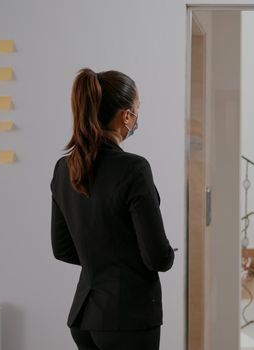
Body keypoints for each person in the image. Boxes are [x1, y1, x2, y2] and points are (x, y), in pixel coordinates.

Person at [51, 68, 175, 350]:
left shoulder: (63, 168)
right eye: (137, 109)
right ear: (126, 116)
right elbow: (157, 258)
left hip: (85, 317)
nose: (137, 117)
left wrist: (105, 261)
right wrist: (167, 254)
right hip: (128, 320)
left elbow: (62, 249)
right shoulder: (134, 168)